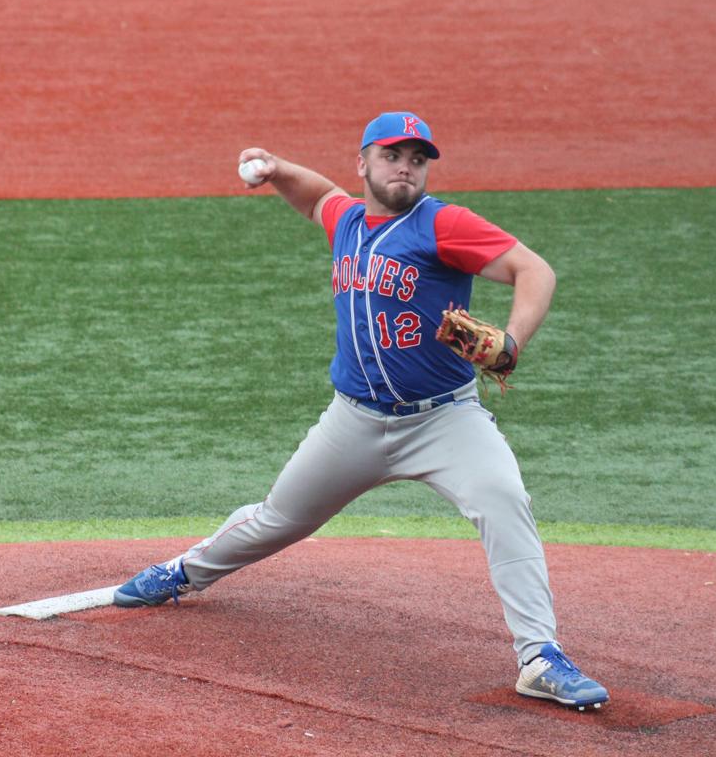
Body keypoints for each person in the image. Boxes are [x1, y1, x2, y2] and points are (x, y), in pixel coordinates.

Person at [114, 112, 609, 710]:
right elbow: (317, 195)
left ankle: (540, 656)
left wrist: (513, 338)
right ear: (364, 163)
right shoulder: (347, 220)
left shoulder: (443, 224)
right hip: (354, 420)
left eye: (417, 158)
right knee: (280, 518)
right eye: (392, 155)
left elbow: (535, 270)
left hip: (444, 419)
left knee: (505, 500)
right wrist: (275, 170)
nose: (406, 166)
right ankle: (187, 572)